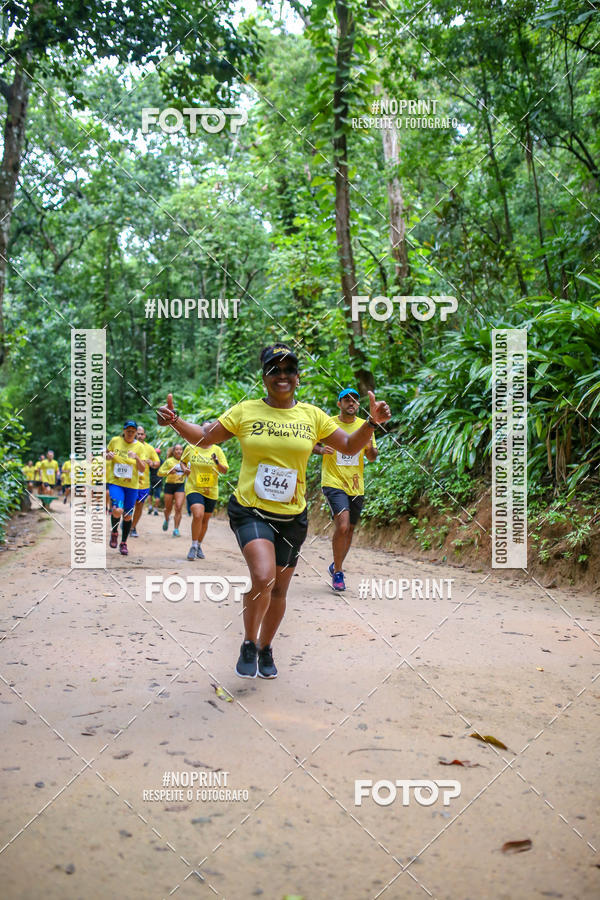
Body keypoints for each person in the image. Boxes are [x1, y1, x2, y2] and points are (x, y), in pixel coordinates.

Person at [157, 342, 391, 680]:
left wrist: (371, 422)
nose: (282, 375)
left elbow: (350, 446)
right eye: (274, 369)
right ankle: (249, 641)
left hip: (293, 516)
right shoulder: (245, 411)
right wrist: (175, 421)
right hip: (251, 510)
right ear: (264, 376)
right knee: (263, 576)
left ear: (298, 376)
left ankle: (265, 647)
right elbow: (205, 438)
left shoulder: (312, 416)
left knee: (279, 590)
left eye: (288, 369)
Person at [314, 387, 378, 591]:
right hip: (333, 481)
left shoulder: (365, 426)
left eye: (355, 400)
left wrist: (370, 448)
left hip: (356, 485)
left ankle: (336, 565)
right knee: (342, 526)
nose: (351, 403)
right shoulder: (329, 423)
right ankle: (339, 573)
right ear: (339, 404)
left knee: (349, 529)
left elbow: (372, 457)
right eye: (347, 400)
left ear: (358, 404)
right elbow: (310, 443)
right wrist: (321, 450)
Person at [181, 440, 229, 560]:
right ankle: (193, 546)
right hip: (193, 487)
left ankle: (198, 545)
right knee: (198, 514)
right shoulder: (190, 448)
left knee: (205, 520)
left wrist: (216, 462)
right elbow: (182, 462)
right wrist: (185, 469)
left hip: (210, 490)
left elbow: (224, 470)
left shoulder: (217, 450)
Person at [105, 420, 146, 555]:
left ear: (136, 433)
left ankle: (123, 543)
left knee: (128, 516)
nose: (130, 433)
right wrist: (107, 455)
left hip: (131, 486)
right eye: (128, 431)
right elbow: (105, 454)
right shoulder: (115, 441)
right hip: (116, 483)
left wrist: (136, 458)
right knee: (117, 510)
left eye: (133, 431)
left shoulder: (139, 447)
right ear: (123, 431)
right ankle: (114, 532)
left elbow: (142, 468)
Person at [130, 425, 160, 537]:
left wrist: (152, 463)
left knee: (139, 505)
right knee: (128, 505)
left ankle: (133, 527)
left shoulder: (150, 448)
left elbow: (157, 462)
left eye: (141, 434)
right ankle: (127, 521)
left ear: (145, 435)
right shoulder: (128, 445)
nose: (139, 436)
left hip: (143, 483)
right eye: (138, 434)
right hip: (128, 481)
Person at [158, 445, 186, 536]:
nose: (179, 451)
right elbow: (159, 473)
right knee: (168, 508)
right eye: (177, 449)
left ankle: (176, 529)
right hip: (169, 485)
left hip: (180, 485)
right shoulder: (169, 461)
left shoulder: (185, 461)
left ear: (183, 451)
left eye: (180, 449)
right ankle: (166, 519)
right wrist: (168, 472)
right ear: (173, 452)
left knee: (178, 507)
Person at [147, 445, 164, 516]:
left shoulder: (152, 461)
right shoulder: (162, 461)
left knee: (149, 494)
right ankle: (156, 509)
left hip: (152, 479)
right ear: (160, 454)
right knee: (157, 495)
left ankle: (150, 506)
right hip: (159, 480)